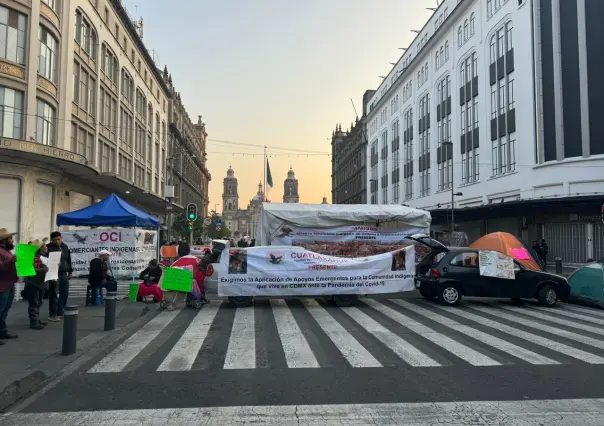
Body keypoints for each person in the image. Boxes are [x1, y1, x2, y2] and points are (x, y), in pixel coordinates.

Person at [46, 231, 73, 322]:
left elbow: (68, 259)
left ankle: (61, 311)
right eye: (54, 240)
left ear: (61, 238)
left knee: (64, 293)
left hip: (64, 272)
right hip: (54, 272)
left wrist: (70, 271)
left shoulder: (64, 246)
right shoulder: (49, 247)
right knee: (54, 293)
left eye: (58, 239)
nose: (57, 242)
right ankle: (53, 314)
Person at [23, 240, 49, 330]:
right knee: (34, 303)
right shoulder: (34, 257)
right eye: (44, 246)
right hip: (34, 283)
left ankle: (37, 320)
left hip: (39, 283)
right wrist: (44, 269)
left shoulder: (39, 257)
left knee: (38, 303)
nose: (46, 247)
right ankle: (34, 322)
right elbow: (33, 270)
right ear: (40, 248)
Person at [0, 228, 18, 343]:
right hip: (2, 285)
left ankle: (2, 331)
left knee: (5, 309)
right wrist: (10, 262)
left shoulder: (7, 251)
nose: (12, 240)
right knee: (0, 309)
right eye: (10, 238)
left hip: (9, 284)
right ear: (4, 240)